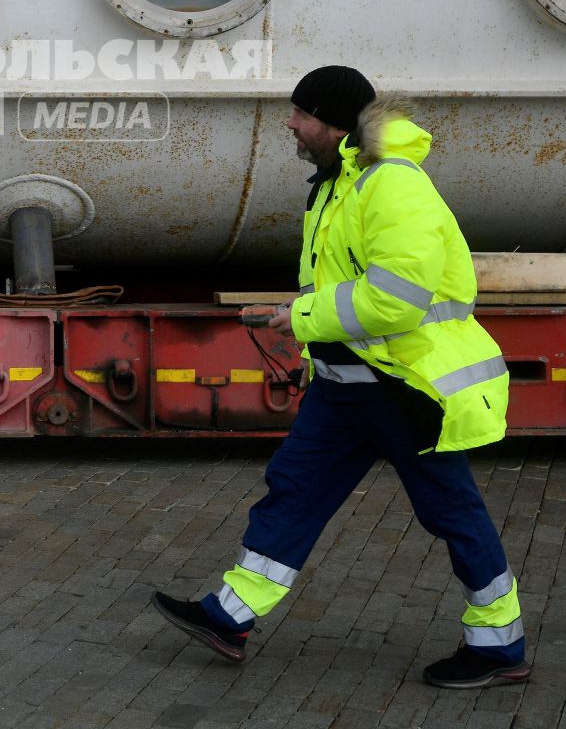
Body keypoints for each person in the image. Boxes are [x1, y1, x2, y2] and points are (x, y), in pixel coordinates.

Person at [151, 65, 529, 689]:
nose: (290, 125)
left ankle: (498, 646)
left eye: (300, 115)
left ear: (331, 122)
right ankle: (230, 615)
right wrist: (298, 323)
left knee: (451, 511)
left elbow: (395, 300)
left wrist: (297, 317)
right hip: (343, 386)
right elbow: (340, 289)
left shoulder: (393, 186)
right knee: (293, 490)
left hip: (402, 389)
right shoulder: (335, 185)